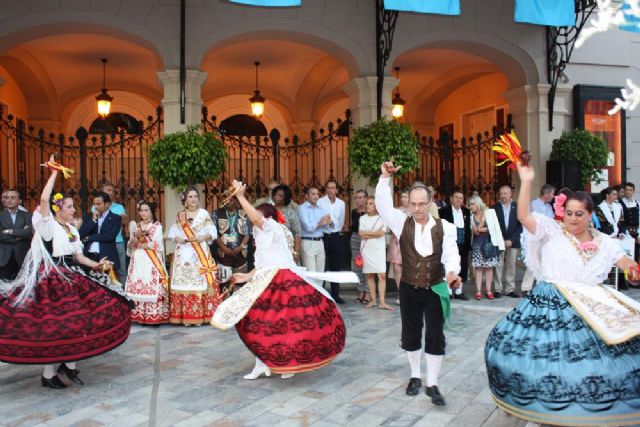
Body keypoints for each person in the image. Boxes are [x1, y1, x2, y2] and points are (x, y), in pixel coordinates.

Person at [485, 163, 640, 427]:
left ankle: (580, 415)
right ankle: (545, 415)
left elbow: (625, 262)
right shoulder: (552, 231)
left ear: (589, 215)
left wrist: (633, 270)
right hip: (550, 306)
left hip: (592, 308)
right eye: (569, 213)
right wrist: (525, 182)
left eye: (579, 214)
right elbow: (523, 216)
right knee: (542, 364)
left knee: (595, 367)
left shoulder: (605, 242)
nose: (573, 218)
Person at [0, 156, 132, 389]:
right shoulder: (48, 225)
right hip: (50, 277)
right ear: (59, 209)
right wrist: (54, 174)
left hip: (70, 273)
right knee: (53, 327)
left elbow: (79, 257)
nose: (74, 211)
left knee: (78, 321)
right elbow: (43, 199)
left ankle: (68, 367)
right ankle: (48, 374)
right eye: (70, 207)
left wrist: (97, 265)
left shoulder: (71, 229)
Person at [211, 180, 349, 380]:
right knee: (254, 321)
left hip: (279, 281)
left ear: (267, 216)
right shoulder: (264, 232)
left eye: (258, 214)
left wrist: (241, 197)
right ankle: (262, 363)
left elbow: (258, 222)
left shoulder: (271, 227)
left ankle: (287, 363)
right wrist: (247, 276)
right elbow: (265, 262)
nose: (254, 218)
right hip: (267, 278)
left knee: (283, 325)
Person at [376, 161, 461, 406]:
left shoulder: (446, 228)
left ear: (430, 201)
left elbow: (451, 255)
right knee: (411, 333)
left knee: (435, 335)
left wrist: (453, 273)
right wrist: (384, 178)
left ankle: (432, 383)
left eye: (421, 204)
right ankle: (415, 376)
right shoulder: (402, 223)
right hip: (409, 287)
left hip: (435, 287)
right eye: (412, 204)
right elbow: (382, 205)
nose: (416, 208)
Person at [168, 187, 219, 325]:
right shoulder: (180, 215)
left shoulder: (203, 214)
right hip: (183, 253)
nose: (193, 199)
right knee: (183, 282)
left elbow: (213, 232)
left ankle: (200, 317)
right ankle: (184, 317)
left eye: (195, 196)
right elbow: (172, 233)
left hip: (199, 252)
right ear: (185, 199)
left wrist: (204, 236)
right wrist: (177, 238)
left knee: (200, 281)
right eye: (190, 196)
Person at [124, 201, 169, 325]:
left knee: (152, 285)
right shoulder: (136, 226)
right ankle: (139, 316)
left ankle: (153, 316)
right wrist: (132, 241)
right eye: (141, 210)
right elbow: (130, 247)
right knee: (139, 285)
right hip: (138, 261)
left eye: (146, 210)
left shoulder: (156, 226)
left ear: (151, 211)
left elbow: (158, 245)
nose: (143, 213)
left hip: (151, 261)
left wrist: (141, 243)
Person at [520, 184, 555, 296]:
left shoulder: (549, 207)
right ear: (546, 194)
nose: (553, 196)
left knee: (545, 262)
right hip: (534, 238)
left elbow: (551, 222)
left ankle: (541, 285)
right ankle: (526, 288)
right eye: (552, 193)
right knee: (532, 261)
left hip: (546, 239)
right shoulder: (533, 204)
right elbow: (531, 219)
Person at [360, 196, 392, 310]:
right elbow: (361, 234)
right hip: (367, 250)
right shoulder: (362, 218)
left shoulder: (382, 218)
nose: (368, 205)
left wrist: (368, 233)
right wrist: (374, 233)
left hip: (378, 250)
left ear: (376, 206)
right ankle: (373, 300)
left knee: (382, 275)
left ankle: (382, 302)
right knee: (369, 275)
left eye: (371, 203)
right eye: (367, 203)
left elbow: (381, 233)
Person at [318, 179, 347, 304]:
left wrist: (334, 227)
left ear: (337, 190)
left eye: (333, 187)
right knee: (323, 266)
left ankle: (336, 295)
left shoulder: (341, 203)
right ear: (326, 190)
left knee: (336, 266)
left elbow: (341, 221)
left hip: (336, 237)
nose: (331, 190)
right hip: (323, 236)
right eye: (328, 188)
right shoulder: (320, 202)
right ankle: (322, 294)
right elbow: (318, 218)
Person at [469, 195, 503, 300]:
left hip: (489, 244)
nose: (470, 206)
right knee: (478, 268)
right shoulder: (471, 217)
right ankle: (478, 291)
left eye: (472, 204)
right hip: (477, 245)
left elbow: (495, 228)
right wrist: (483, 223)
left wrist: (483, 229)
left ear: (478, 204)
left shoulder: (490, 212)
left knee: (489, 268)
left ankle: (488, 290)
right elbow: (476, 231)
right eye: (469, 204)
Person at [439, 191, 471, 300]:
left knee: (461, 267)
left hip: (463, 244)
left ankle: (459, 291)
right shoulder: (444, 211)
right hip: (450, 244)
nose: (458, 200)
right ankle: (448, 292)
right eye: (456, 197)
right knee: (448, 267)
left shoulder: (466, 211)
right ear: (451, 199)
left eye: (461, 198)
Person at [79, 192, 122, 273]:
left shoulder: (115, 218)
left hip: (106, 256)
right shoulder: (89, 217)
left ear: (107, 204)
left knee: (107, 283)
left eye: (99, 204)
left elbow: (109, 237)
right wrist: (93, 220)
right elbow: (81, 234)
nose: (96, 207)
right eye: (94, 204)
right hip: (89, 256)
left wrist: (89, 237)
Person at [492, 185, 522, 298]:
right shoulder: (494, 208)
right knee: (498, 265)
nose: (503, 195)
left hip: (513, 242)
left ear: (511, 194)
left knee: (511, 266)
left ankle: (510, 289)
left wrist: (511, 240)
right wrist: (502, 240)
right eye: (501, 193)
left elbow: (520, 226)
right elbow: (493, 226)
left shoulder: (517, 207)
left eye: (506, 193)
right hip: (499, 241)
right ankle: (498, 289)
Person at [212, 196, 251, 276]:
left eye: (231, 200)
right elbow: (214, 234)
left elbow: (247, 233)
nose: (228, 202)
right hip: (223, 254)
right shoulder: (216, 213)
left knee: (240, 282)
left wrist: (240, 248)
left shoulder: (244, 214)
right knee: (224, 283)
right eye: (225, 199)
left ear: (236, 200)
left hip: (241, 254)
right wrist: (225, 249)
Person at [0, 189, 33, 280]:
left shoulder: (27, 216)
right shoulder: (1, 216)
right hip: (4, 258)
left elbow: (29, 232)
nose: (9, 200)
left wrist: (9, 231)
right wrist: (19, 236)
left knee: (22, 288)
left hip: (22, 256)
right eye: (7, 198)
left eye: (13, 198)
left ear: (20, 201)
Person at [298, 186, 331, 274]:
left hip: (320, 242)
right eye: (313, 194)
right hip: (308, 242)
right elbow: (308, 228)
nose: (316, 196)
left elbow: (327, 228)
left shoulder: (320, 209)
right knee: (311, 273)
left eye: (317, 194)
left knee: (320, 273)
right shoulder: (302, 208)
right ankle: (312, 288)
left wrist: (330, 222)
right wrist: (320, 223)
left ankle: (318, 288)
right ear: (306, 196)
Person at [99, 183, 128, 283]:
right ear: (103, 192)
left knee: (121, 269)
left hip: (118, 242)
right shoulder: (96, 207)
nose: (111, 192)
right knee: (104, 269)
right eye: (108, 190)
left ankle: (124, 292)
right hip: (103, 243)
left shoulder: (119, 207)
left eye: (112, 190)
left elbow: (124, 221)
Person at [388, 189, 409, 305]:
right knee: (396, 267)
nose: (403, 199)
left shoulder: (414, 211)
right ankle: (400, 293)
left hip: (409, 241)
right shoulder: (396, 211)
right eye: (402, 197)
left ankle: (409, 293)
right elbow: (390, 226)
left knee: (408, 268)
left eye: (405, 197)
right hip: (396, 240)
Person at [272, 184, 302, 265]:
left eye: (280, 195)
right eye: (275, 194)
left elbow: (297, 233)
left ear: (285, 198)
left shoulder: (290, 212)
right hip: (271, 250)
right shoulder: (268, 210)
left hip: (287, 250)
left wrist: (296, 252)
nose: (276, 197)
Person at [351, 189, 369, 303]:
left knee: (367, 265)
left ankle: (367, 292)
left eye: (361, 197)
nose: (358, 200)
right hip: (355, 238)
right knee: (357, 264)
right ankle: (360, 291)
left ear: (366, 199)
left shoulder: (370, 212)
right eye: (356, 198)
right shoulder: (354, 212)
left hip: (367, 239)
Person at [621, 182, 639, 264]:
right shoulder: (619, 204)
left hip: (636, 233)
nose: (628, 192)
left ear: (633, 191)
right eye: (627, 190)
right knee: (626, 256)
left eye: (630, 190)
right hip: (625, 233)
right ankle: (624, 276)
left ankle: (635, 276)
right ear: (624, 191)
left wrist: (639, 235)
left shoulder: (637, 203)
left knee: (635, 256)